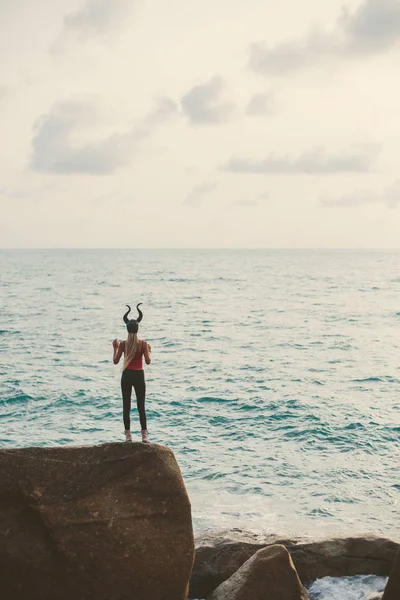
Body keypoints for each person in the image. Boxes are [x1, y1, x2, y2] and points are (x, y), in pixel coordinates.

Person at [112, 303, 152, 443]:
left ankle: (128, 436)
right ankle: (144, 436)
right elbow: (147, 361)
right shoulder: (143, 344)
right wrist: (149, 350)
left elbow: (116, 361)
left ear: (127, 329)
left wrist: (115, 348)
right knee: (141, 406)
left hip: (127, 375)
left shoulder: (123, 344)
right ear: (137, 329)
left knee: (126, 406)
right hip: (139, 375)